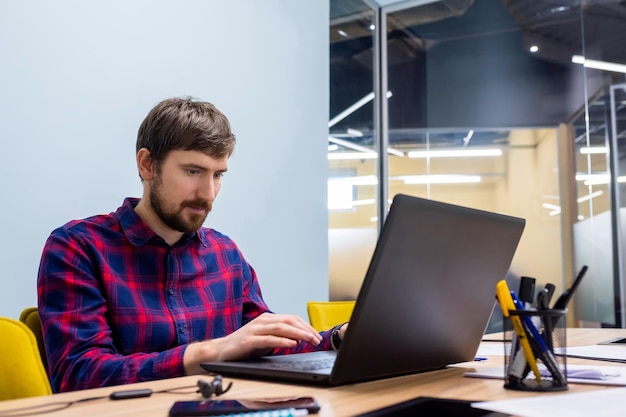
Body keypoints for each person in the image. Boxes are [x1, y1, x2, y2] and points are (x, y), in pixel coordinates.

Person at [37, 96, 347, 393]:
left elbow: (266, 342)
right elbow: (80, 376)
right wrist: (211, 352)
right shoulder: (78, 248)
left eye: (218, 175)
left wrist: (339, 339)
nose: (209, 193)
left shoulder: (225, 255)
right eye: (193, 171)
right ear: (147, 165)